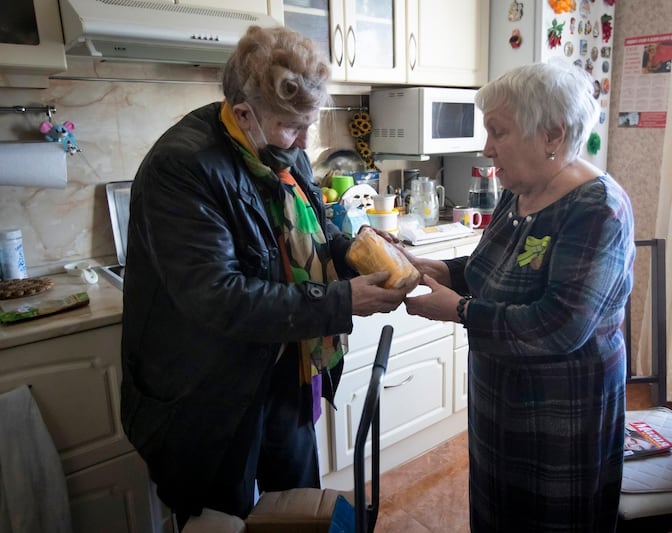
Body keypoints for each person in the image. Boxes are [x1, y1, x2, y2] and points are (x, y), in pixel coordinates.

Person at [120, 25, 407, 528]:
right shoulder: (182, 167)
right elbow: (218, 297)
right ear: (244, 110)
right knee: (221, 518)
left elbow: (313, 236)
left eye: (308, 126)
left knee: (296, 505)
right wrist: (341, 301)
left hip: (284, 367)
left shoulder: (277, 149)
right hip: (210, 391)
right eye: (291, 128)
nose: (302, 143)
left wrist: (365, 254)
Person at [403, 61, 635, 531]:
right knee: (498, 514)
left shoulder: (598, 209)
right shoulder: (520, 189)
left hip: (560, 416)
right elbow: (492, 268)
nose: (487, 148)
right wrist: (441, 270)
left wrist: (460, 311)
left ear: (552, 135)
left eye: (498, 132)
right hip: (499, 401)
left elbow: (560, 326)